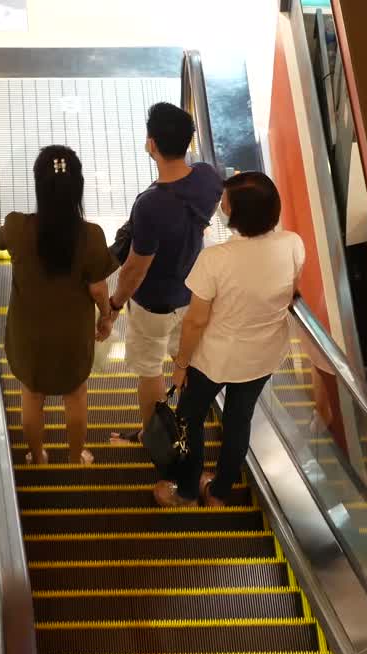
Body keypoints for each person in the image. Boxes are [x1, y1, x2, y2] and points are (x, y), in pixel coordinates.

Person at [154, 172, 305, 507]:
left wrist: (180, 366)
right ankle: (220, 492)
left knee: (190, 420)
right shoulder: (292, 243)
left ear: (238, 215)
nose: (221, 205)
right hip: (263, 356)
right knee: (239, 420)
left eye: (226, 202)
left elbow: (195, 321)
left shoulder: (216, 259)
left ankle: (189, 490)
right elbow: (291, 289)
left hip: (213, 360)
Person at [108, 102, 223, 443]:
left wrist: (114, 305)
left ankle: (154, 437)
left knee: (149, 369)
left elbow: (134, 269)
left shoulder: (150, 205)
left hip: (153, 305)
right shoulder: (207, 177)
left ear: (152, 144)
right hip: (192, 296)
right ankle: (186, 429)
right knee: (183, 358)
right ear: (188, 142)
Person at [0, 145, 118, 465]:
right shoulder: (91, 236)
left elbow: (0, 239)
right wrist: (106, 317)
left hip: (28, 335)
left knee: (32, 396)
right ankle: (77, 454)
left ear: (39, 186)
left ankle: (37, 456)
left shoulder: (17, 226)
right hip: (72, 337)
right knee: (75, 395)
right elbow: (98, 288)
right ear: (77, 188)